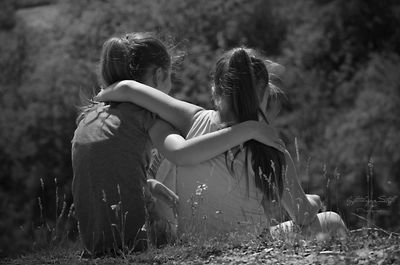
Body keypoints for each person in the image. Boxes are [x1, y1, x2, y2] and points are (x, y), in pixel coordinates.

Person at [95, 47, 347, 239]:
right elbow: (303, 217)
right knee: (332, 219)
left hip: (190, 245)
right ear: (264, 95)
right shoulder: (272, 148)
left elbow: (129, 89)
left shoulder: (191, 118)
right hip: (252, 244)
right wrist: (312, 201)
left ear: (215, 89)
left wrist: (101, 97)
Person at [71, 33, 283, 257]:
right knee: (180, 146)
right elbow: (181, 154)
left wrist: (150, 186)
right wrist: (250, 128)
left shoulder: (90, 117)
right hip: (132, 244)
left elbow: (108, 169)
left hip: (93, 243)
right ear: (160, 75)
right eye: (170, 76)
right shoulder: (148, 116)